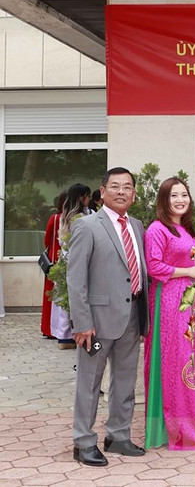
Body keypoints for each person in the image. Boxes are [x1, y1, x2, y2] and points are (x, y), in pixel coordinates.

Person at [68, 167, 149, 466]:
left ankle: (118, 435)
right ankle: (83, 441)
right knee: (89, 382)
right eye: (115, 186)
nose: (121, 191)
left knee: (125, 381)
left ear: (134, 194)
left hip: (132, 315)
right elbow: (76, 279)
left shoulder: (137, 225)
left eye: (127, 187)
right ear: (102, 192)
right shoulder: (87, 226)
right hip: (97, 321)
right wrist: (82, 323)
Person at [143, 177, 195, 451]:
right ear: (164, 200)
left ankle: (185, 423)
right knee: (175, 362)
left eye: (184, 195)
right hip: (169, 304)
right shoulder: (157, 229)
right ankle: (176, 428)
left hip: (189, 306)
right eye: (174, 195)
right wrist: (188, 272)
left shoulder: (184, 229)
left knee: (188, 363)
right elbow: (153, 266)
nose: (180, 200)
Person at [53, 184, 94, 349]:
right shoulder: (84, 217)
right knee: (76, 299)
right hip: (77, 259)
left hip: (64, 259)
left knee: (64, 300)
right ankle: (73, 336)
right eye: (87, 196)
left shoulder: (65, 216)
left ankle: (64, 337)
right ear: (82, 197)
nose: (89, 199)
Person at [40, 190, 66, 340]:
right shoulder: (74, 218)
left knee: (50, 295)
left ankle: (48, 328)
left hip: (53, 259)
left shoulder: (55, 218)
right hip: (65, 260)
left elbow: (47, 240)